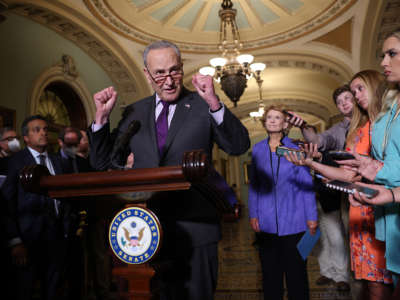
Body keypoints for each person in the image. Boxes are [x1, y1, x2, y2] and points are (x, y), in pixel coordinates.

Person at [88, 40, 250, 300]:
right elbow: (101, 163)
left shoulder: (203, 105)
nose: (169, 80)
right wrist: (101, 120)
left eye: (174, 71)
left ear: (182, 68)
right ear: (146, 74)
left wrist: (214, 101)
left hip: (196, 227)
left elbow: (238, 145)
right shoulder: (134, 111)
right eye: (160, 73)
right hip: (146, 230)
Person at [287, 70, 393, 300]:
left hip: (383, 207)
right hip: (357, 205)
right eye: (344, 98)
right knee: (370, 282)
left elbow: (380, 169)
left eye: (355, 92)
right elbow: (322, 146)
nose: (350, 99)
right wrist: (310, 161)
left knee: (384, 282)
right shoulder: (351, 130)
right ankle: (338, 273)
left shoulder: (386, 122)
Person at [338, 28, 400, 289]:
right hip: (391, 217)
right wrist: (371, 168)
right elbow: (390, 163)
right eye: (383, 55)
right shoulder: (391, 109)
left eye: (392, 54)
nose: (384, 62)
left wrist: (392, 192)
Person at [288, 85, 354, 291]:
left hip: (356, 188)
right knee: (327, 234)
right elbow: (318, 140)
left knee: (347, 234)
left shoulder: (371, 124)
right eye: (339, 101)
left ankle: (348, 275)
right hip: (329, 188)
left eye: (347, 98)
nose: (343, 103)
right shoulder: (338, 129)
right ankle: (332, 273)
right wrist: (304, 126)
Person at [248, 105, 317, 300]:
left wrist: (312, 217)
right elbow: (255, 184)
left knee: (297, 275)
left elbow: (306, 183)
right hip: (266, 222)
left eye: (277, 117)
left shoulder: (295, 148)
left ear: (285, 123)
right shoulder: (258, 149)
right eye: (269, 117)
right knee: (270, 275)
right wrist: (253, 213)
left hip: (295, 222)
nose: (272, 120)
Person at [1, 115, 70, 300]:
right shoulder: (15, 162)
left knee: (54, 289)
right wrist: (15, 241)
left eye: (45, 129)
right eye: (37, 129)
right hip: (27, 238)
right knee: (26, 289)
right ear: (26, 138)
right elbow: (6, 203)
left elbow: (65, 198)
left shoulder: (57, 161)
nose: (43, 132)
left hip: (56, 238)